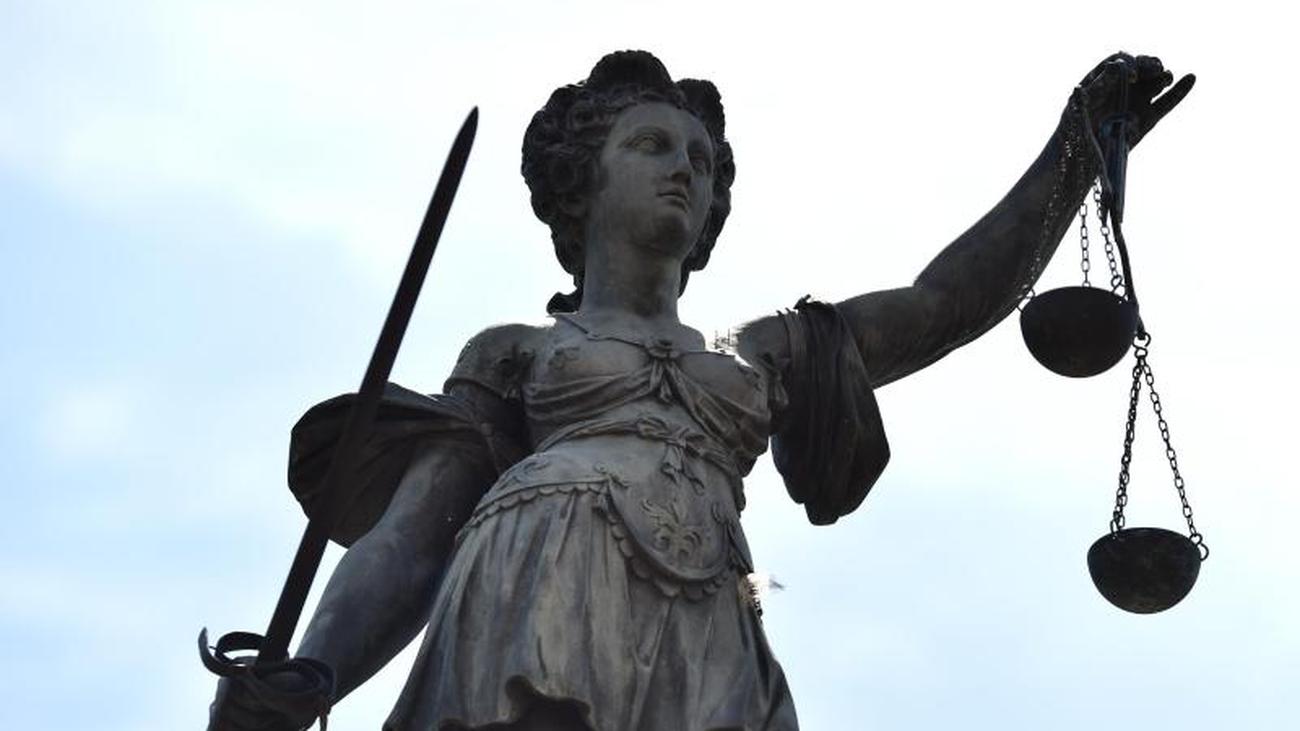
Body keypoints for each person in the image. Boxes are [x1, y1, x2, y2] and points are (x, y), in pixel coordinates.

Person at [208, 50, 1194, 731]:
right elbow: (412, 536)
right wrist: (313, 672)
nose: (685, 168)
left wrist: (1073, 152)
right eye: (652, 146)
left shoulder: (763, 354)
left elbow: (944, 304)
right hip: (533, 586)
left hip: (704, 619)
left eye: (703, 160)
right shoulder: (516, 351)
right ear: (584, 180)